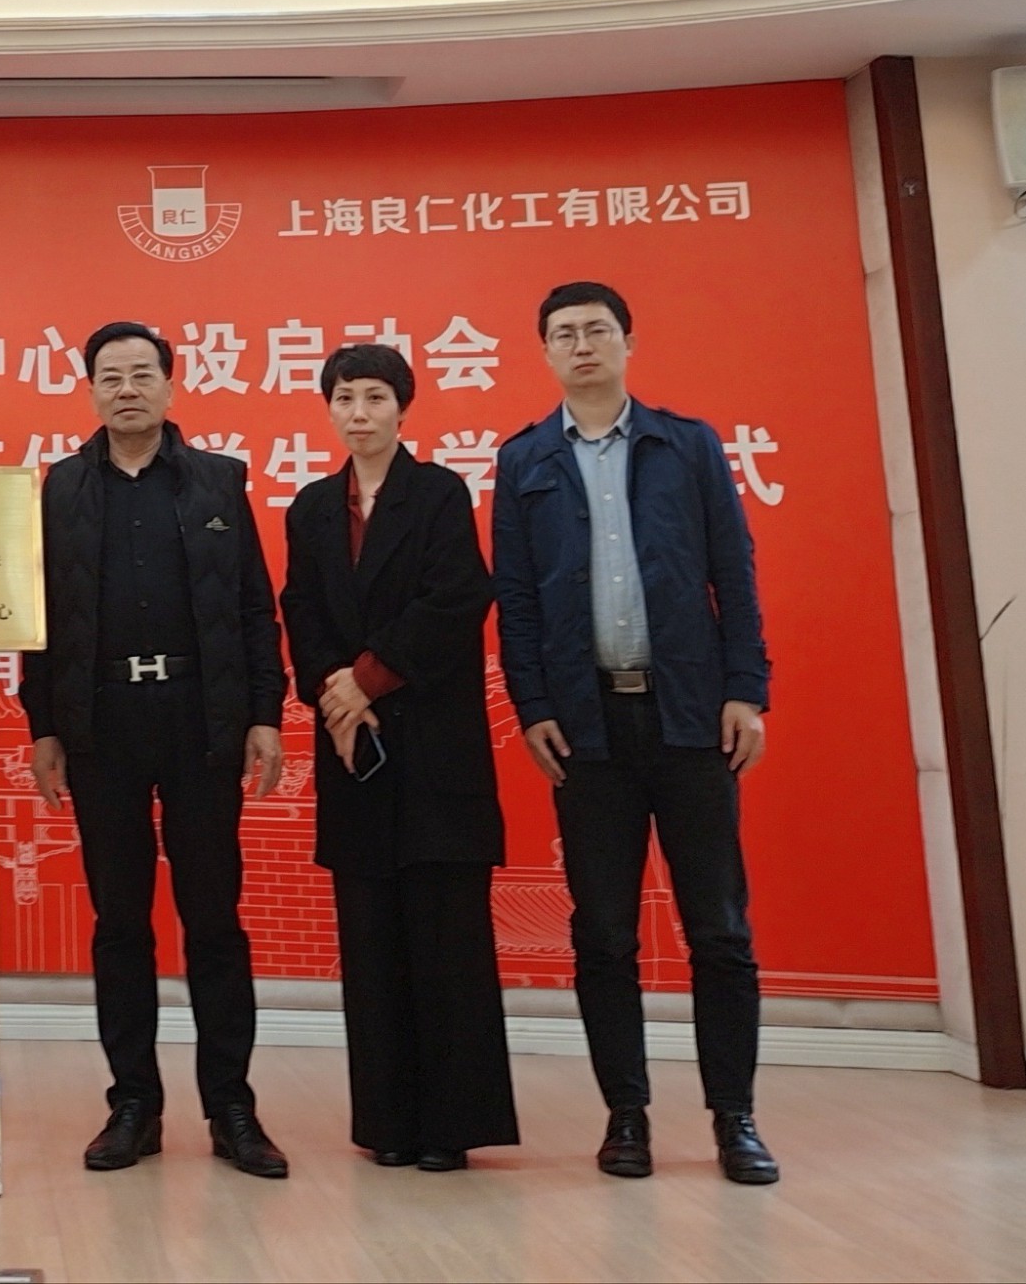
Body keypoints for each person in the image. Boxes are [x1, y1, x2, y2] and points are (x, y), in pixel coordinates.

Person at [492, 281, 780, 1185]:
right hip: (587, 728)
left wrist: (746, 689)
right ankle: (626, 1114)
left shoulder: (686, 445)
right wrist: (533, 704)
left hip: (690, 716)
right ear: (545, 351)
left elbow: (734, 571)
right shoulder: (525, 458)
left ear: (628, 341)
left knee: (719, 930)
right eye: (564, 333)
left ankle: (734, 1116)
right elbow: (516, 599)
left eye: (597, 329)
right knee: (605, 934)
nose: (581, 344)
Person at [22, 321, 291, 1180]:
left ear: (171, 386)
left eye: (143, 373)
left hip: (200, 719)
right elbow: (38, 616)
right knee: (120, 921)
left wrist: (264, 711)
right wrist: (43, 726)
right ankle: (133, 1102)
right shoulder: (61, 488)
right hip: (102, 724)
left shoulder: (217, 480)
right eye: (111, 376)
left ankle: (232, 1105)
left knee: (213, 918)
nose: (127, 388)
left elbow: (253, 605)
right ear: (91, 391)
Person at [280, 343, 518, 1172]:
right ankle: (387, 1121)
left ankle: (450, 1125)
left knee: (445, 938)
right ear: (329, 408)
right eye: (345, 397)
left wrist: (367, 680)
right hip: (354, 747)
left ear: (402, 407)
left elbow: (457, 598)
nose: (359, 412)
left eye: (375, 397)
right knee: (371, 937)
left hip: (432, 740)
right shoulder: (312, 507)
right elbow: (300, 610)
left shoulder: (440, 492)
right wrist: (333, 694)